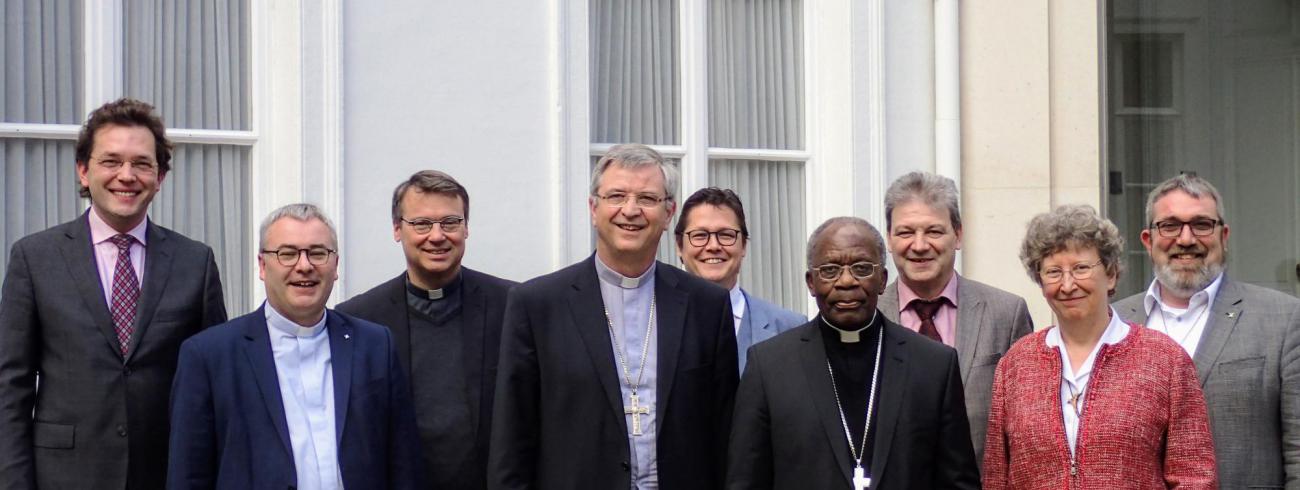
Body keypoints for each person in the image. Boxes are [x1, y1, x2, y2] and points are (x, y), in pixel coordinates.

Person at [0, 98, 227, 490]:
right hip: (63, 477)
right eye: (111, 161)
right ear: (84, 171)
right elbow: (10, 387)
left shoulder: (196, 262)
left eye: (141, 163)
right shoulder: (35, 258)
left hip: (163, 476)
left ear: (160, 178)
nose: (127, 175)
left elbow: (214, 386)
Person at [489, 144, 737, 489]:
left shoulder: (706, 305)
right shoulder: (537, 305)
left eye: (647, 199)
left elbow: (725, 433)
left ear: (669, 213)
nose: (630, 210)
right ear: (593, 208)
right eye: (616, 196)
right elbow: (512, 441)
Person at [167, 204, 423, 489]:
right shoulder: (209, 356)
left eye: (317, 253)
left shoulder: (375, 346)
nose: (304, 266)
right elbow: (188, 476)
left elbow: (403, 465)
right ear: (263, 266)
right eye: (287, 254)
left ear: (335, 266)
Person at [727, 217, 978, 490]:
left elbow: (958, 483)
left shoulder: (933, 365)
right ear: (811, 283)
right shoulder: (769, 366)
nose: (846, 281)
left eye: (861, 268)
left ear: (882, 280)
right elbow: (746, 480)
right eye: (830, 269)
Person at [983, 204, 1216, 489]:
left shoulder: (1165, 360)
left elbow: (1194, 478)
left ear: (1111, 274)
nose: (1067, 285)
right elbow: (996, 477)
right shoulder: (1016, 365)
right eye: (1053, 272)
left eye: (1081, 268)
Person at [1113, 173, 1300, 489]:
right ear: (1148, 240)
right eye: (1170, 225)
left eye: (1201, 224)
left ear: (1224, 235)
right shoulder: (1115, 323)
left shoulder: (1282, 318)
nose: (1186, 239)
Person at [337, 170, 515, 489]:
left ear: (466, 228)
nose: (437, 236)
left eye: (450, 222)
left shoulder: (512, 307)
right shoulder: (359, 319)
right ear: (396, 229)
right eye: (421, 224)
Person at [877, 172, 1033, 465]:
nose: (920, 245)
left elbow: (1025, 428)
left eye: (934, 231)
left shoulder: (1006, 313)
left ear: (958, 235)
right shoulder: (870, 317)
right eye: (905, 232)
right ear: (888, 239)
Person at [674, 187, 805, 373]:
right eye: (700, 235)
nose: (713, 246)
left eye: (726, 235)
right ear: (679, 246)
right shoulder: (655, 324)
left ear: (743, 245)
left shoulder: (790, 329)